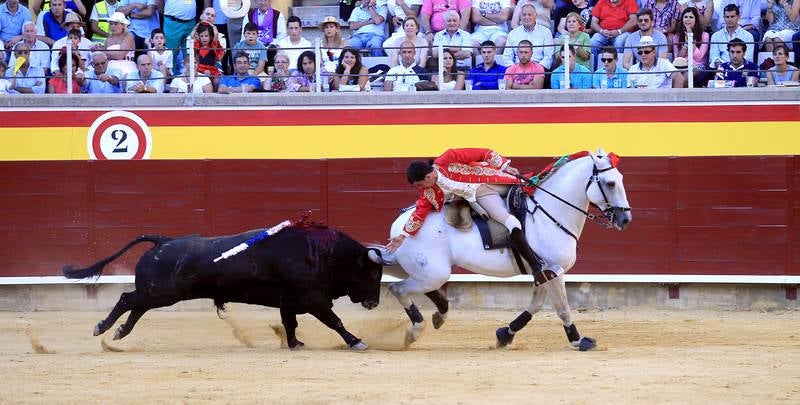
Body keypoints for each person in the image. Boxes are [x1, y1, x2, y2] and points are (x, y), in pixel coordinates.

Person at [386, 148, 550, 279]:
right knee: (511, 223)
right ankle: (536, 266)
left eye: (420, 184)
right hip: (482, 195)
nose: (420, 189)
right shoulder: (430, 192)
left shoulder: (448, 158)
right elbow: (419, 213)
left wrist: (504, 167)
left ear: (428, 176)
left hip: (495, 179)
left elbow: (482, 153)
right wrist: (402, 235)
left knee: (532, 191)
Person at [589, 0, 639, 69]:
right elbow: (593, 23)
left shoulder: (629, 1)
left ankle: (618, 71)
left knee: (619, 42)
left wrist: (619, 31)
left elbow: (634, 20)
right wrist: (601, 31)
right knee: (593, 42)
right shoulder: (601, 2)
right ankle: (593, 71)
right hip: (603, 33)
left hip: (622, 33)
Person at [503, 4, 554, 70]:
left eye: (529, 14)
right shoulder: (512, 33)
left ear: (535, 16)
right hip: (517, 70)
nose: (526, 17)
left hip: (538, 70)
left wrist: (537, 70)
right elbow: (507, 57)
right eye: (524, 15)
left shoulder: (546, 32)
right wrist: (514, 70)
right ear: (520, 17)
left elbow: (548, 56)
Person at [671, 7, 708, 85]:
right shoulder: (676, 37)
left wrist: (690, 37)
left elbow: (698, 57)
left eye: (691, 17)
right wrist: (686, 43)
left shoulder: (705, 35)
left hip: (697, 65)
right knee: (673, 77)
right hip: (681, 65)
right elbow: (677, 58)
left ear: (696, 20)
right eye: (685, 17)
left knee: (685, 78)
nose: (688, 19)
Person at [163, 0, 197, 76]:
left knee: (190, 52)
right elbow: (158, 2)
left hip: (191, 22)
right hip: (173, 22)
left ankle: (190, 78)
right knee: (171, 53)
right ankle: (173, 79)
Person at [102, 12, 136, 78]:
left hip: (126, 67)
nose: (113, 26)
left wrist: (104, 52)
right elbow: (104, 57)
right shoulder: (108, 39)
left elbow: (120, 55)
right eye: (111, 24)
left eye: (116, 24)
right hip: (109, 68)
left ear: (123, 25)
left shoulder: (129, 36)